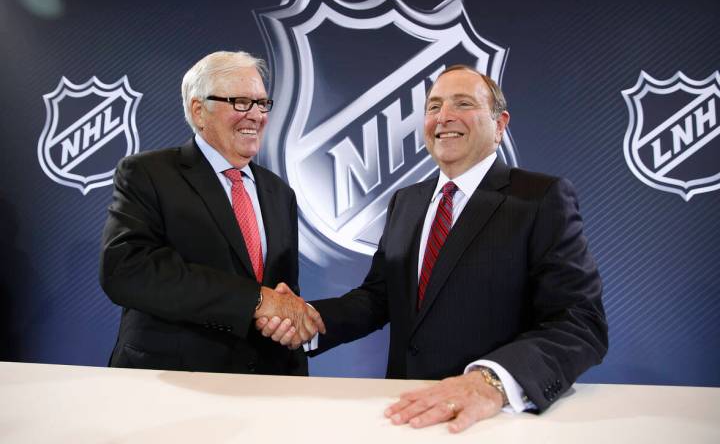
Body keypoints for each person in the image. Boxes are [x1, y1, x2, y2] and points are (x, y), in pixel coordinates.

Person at [258, 65, 608, 431]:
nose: (444, 117)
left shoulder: (540, 198)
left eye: (463, 103)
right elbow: (379, 298)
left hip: (491, 422)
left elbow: (579, 322)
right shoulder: (406, 202)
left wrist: (490, 382)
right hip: (404, 414)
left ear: (500, 123)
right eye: (433, 106)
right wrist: (309, 320)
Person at [100, 50, 324, 375]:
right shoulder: (148, 173)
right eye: (241, 102)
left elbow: (281, 293)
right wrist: (256, 301)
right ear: (199, 109)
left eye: (262, 103)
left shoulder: (279, 193)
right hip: (171, 382)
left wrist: (288, 324)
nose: (257, 115)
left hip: (265, 383)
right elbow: (128, 271)